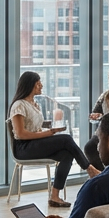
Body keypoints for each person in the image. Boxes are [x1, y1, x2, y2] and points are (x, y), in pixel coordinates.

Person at [8, 71, 98, 208]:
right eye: (38, 83)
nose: (41, 85)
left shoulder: (34, 104)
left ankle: (55, 197)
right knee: (66, 139)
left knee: (67, 154)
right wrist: (48, 134)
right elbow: (21, 134)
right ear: (29, 85)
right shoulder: (19, 105)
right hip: (23, 148)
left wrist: (50, 132)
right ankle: (89, 168)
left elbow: (34, 129)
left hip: (34, 144)